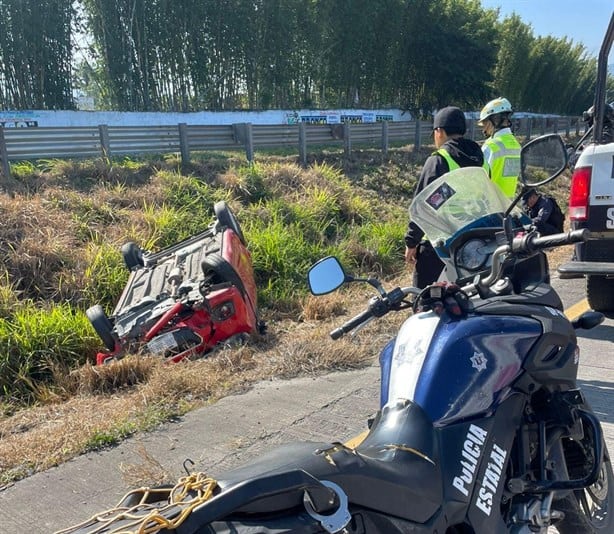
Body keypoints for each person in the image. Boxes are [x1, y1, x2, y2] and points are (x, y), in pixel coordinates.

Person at [404, 106, 487, 288]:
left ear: (439, 131)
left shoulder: (440, 160)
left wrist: (412, 241)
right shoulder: (480, 158)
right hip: (474, 243)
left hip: (441, 244)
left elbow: (425, 205)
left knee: (423, 299)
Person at [478, 97, 521, 199]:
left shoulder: (491, 146)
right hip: (508, 204)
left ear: (494, 120)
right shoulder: (516, 145)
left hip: (491, 204)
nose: (484, 128)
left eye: (484, 123)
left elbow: (480, 179)